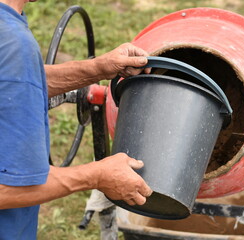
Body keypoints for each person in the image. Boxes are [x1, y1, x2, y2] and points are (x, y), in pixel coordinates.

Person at [0, 0, 153, 239]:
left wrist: (98, 68)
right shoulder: (12, 43)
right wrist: (97, 175)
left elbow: (13, 80)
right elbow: (5, 190)